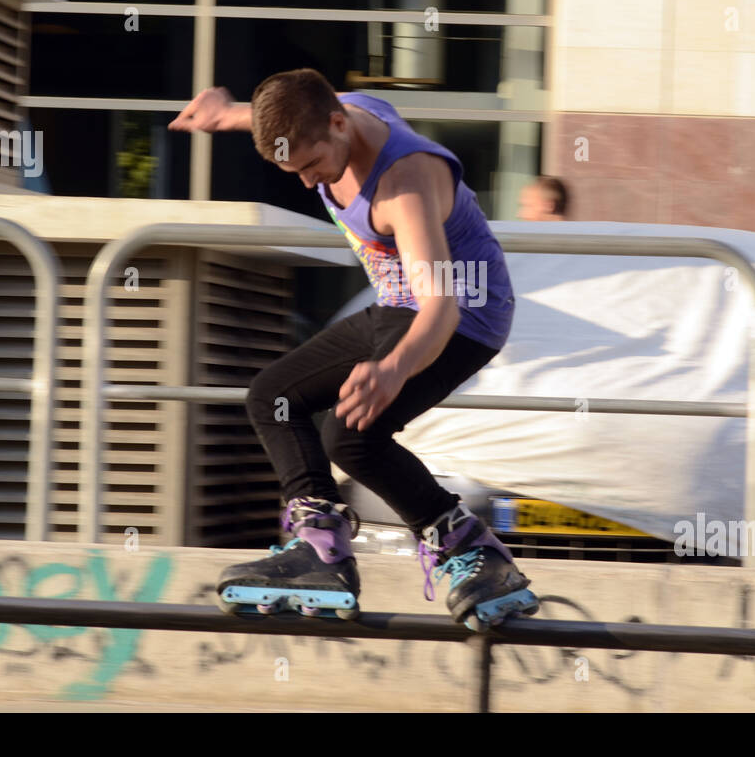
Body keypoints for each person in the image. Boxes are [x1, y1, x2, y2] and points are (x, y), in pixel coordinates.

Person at [169, 68, 539, 628]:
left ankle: (473, 552)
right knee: (272, 396)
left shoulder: (405, 186)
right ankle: (321, 549)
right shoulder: (328, 113)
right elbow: (293, 109)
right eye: (291, 171)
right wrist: (229, 114)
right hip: (397, 304)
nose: (306, 181)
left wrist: (393, 370)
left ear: (340, 126)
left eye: (311, 167)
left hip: (465, 315)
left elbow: (442, 308)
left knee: (352, 435)